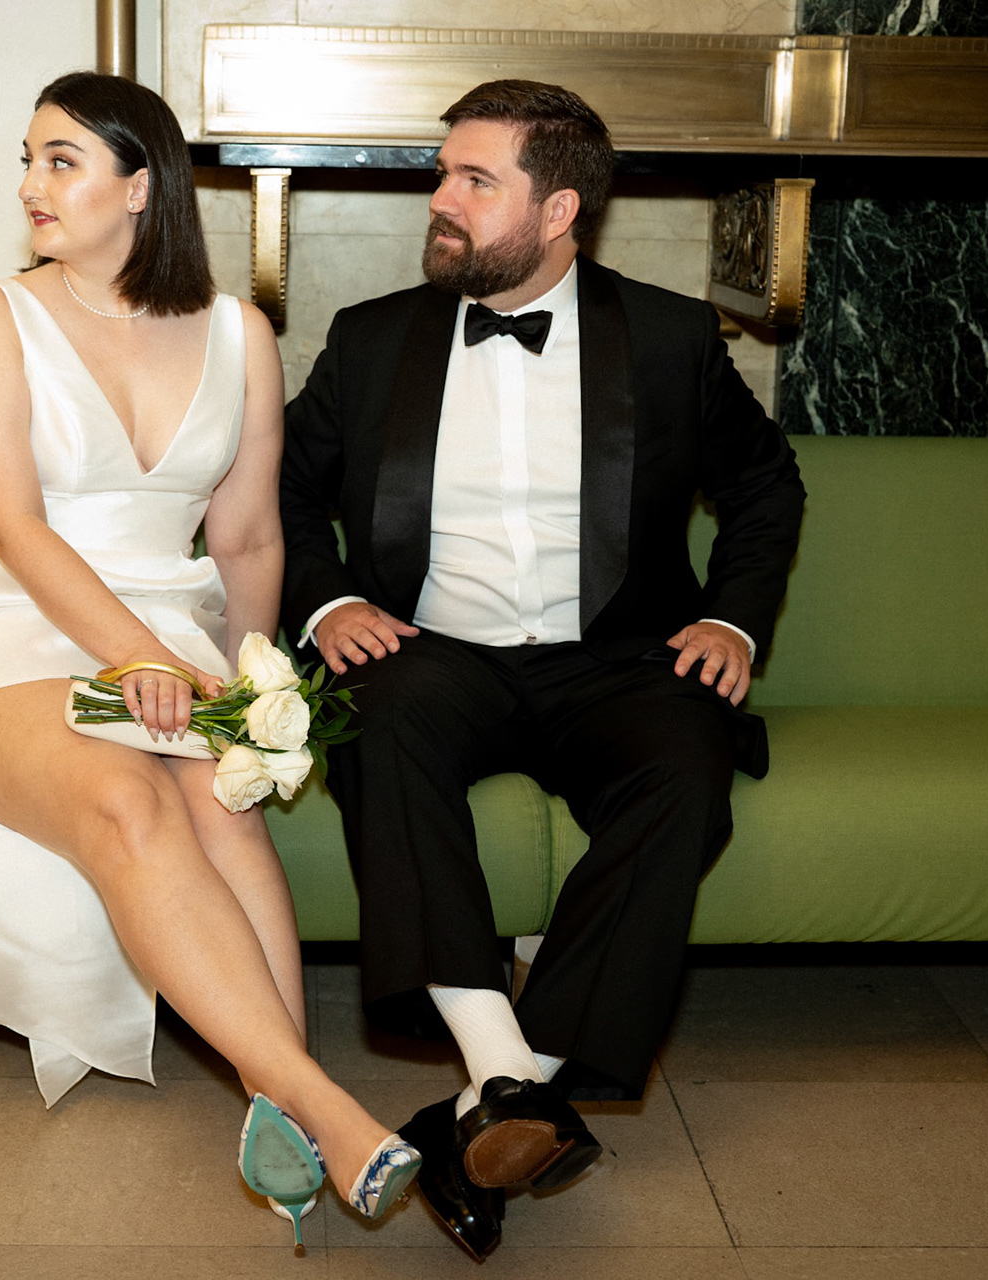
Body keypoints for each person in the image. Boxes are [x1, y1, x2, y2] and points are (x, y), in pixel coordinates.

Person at [0, 71, 418, 1247]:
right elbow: (15, 523)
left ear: (140, 186)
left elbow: (248, 534)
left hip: (177, 624)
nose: (29, 185)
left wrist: (251, 684)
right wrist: (152, 659)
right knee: (125, 798)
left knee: (222, 799)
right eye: (28, 158)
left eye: (61, 161)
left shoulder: (239, 332)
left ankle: (279, 1111)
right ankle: (318, 1103)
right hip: (6, 620)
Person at [279, 79, 806, 1260]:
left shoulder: (669, 339)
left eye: (476, 180)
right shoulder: (373, 340)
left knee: (689, 761)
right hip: (436, 650)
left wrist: (735, 622)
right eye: (443, 172)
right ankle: (509, 1072)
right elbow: (284, 493)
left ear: (560, 208)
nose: (442, 198)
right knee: (375, 724)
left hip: (620, 656)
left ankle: (492, 1100)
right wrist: (332, 598)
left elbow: (768, 485)